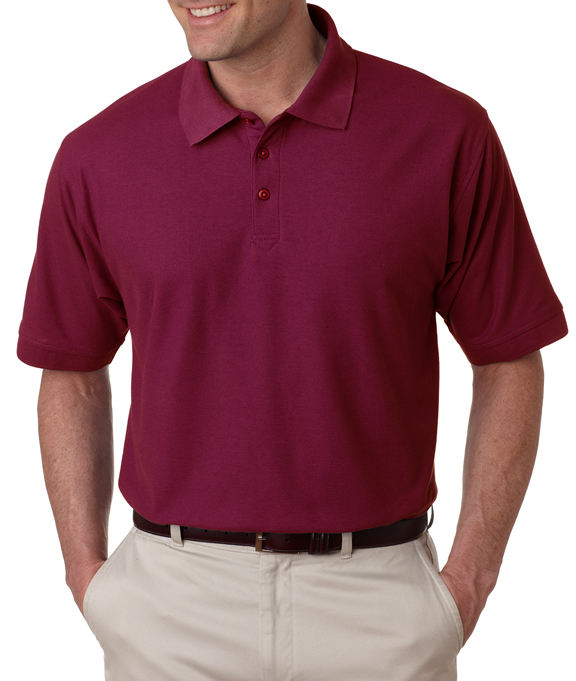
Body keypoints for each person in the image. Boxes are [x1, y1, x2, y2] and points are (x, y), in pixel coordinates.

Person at [16, 2, 569, 680]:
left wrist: (468, 582)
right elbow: (70, 368)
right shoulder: (99, 154)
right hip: (168, 609)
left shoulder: (445, 132)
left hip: (380, 609)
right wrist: (86, 575)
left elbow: (508, 353)